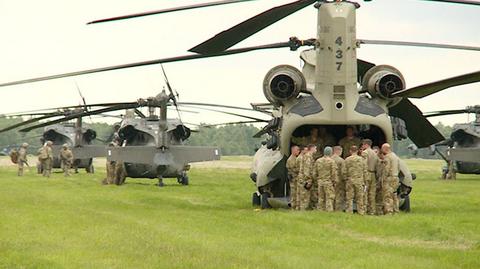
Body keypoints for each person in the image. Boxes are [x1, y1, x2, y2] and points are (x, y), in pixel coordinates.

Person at [345, 145, 367, 215]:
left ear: (350, 151)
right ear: (357, 151)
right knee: (360, 197)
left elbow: (343, 171)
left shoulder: (347, 160)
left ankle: (349, 211)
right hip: (359, 180)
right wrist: (365, 181)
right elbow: (365, 171)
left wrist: (346, 178)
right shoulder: (362, 160)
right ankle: (361, 212)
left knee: (349, 197)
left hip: (350, 180)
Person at [314, 146, 337, 212]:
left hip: (320, 182)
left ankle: (320, 211)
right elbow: (333, 173)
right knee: (329, 197)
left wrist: (317, 179)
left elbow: (314, 172)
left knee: (321, 198)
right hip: (328, 182)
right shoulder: (332, 161)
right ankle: (329, 211)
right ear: (330, 153)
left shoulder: (318, 160)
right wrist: (334, 182)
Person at [381, 143, 400, 215]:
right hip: (396, 177)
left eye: (382, 148)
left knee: (387, 195)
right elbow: (398, 167)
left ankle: (389, 211)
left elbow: (386, 169)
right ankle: (396, 210)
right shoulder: (395, 156)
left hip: (389, 178)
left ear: (385, 149)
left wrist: (384, 178)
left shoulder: (387, 157)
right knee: (394, 194)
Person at [361, 139, 379, 215]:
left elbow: (363, 164)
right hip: (373, 174)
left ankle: (364, 210)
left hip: (367, 174)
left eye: (363, 144)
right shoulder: (374, 153)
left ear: (366, 144)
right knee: (372, 193)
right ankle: (372, 210)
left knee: (365, 192)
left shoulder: (365, 152)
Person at [298, 144, 316, 210]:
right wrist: (308, 180)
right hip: (305, 179)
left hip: (303, 178)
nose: (316, 150)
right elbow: (307, 169)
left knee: (305, 197)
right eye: (315, 149)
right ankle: (302, 212)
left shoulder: (308, 156)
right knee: (304, 197)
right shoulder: (308, 157)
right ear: (312, 149)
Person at [332, 146, 346, 211]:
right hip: (339, 181)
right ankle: (338, 209)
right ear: (339, 151)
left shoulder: (329, 159)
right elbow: (343, 172)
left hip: (330, 180)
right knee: (339, 196)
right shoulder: (341, 160)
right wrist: (345, 179)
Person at [286, 145, 301, 210]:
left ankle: (295, 206)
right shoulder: (291, 159)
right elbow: (293, 169)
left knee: (296, 193)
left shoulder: (295, 158)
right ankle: (293, 207)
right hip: (294, 179)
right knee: (294, 193)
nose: (298, 151)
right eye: (297, 150)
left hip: (295, 178)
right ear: (293, 150)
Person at [375, 150, 385, 215]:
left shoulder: (379, 162)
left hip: (380, 181)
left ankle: (379, 211)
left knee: (379, 197)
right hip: (385, 181)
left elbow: (378, 173)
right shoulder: (386, 161)